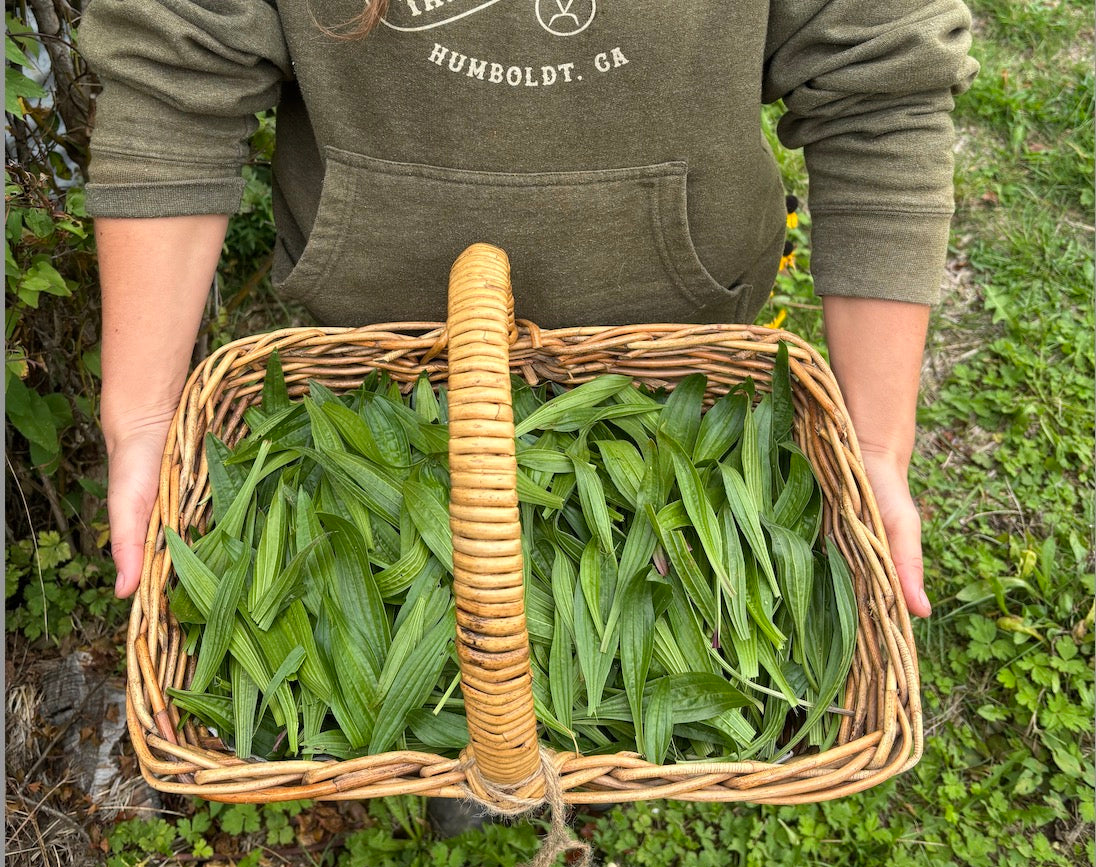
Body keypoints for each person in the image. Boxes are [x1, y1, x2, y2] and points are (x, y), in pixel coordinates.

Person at [82, 0, 977, 627]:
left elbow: (881, 90)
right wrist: (145, 416)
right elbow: (173, 70)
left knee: (648, 599)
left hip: (677, 373)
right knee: (418, 603)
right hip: (377, 378)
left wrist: (873, 446)